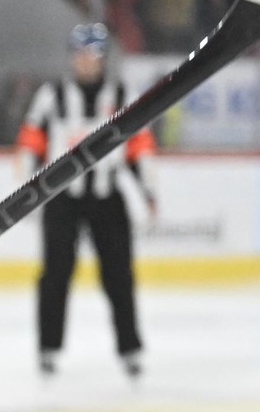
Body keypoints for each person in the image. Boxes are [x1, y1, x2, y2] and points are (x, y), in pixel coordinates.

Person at [16, 21, 158, 379]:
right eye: (80, 54)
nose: (86, 61)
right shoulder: (52, 95)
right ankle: (48, 348)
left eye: (93, 55)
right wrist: (27, 187)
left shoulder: (122, 95)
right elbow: (31, 140)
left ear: (104, 58)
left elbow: (139, 147)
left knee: (119, 276)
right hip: (62, 199)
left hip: (107, 197)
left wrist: (148, 190)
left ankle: (130, 350)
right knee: (55, 275)